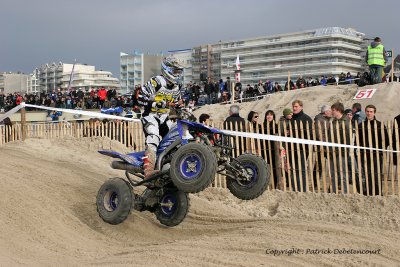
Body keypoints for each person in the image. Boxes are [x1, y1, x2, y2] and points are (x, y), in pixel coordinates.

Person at [137, 56, 183, 180]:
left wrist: (180, 107)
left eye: (179, 72)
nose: (177, 75)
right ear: (167, 69)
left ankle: (171, 168)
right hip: (150, 115)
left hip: (164, 117)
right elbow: (140, 98)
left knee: (175, 139)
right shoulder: (156, 82)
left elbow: (177, 104)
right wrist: (156, 103)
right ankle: (148, 170)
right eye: (175, 71)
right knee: (153, 137)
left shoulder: (176, 87)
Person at [357, 105, 389, 196]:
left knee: (376, 174)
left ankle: (378, 193)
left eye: (371, 111)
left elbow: (386, 140)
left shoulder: (380, 125)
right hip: (365, 154)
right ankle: (369, 192)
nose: (369, 113)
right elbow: (357, 141)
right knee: (367, 174)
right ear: (365, 112)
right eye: (367, 111)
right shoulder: (361, 125)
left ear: (374, 112)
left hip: (376, 155)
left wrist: (378, 149)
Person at [289, 100, 313, 192]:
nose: (294, 108)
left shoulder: (306, 119)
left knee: (301, 170)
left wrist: (298, 132)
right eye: (293, 106)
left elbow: (310, 134)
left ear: (301, 107)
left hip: (302, 149)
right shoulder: (291, 119)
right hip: (291, 149)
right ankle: (295, 190)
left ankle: (302, 190)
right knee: (293, 170)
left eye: (296, 106)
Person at [328, 102, 350, 194]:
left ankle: (344, 192)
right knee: (332, 174)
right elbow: (330, 136)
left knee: (343, 174)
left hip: (342, 152)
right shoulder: (333, 122)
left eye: (333, 110)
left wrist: (345, 150)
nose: (331, 112)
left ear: (338, 110)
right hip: (332, 151)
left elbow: (348, 137)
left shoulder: (345, 122)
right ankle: (333, 191)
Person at [313, 105, 332, 189]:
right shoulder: (319, 120)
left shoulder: (326, 120)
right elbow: (319, 134)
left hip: (325, 145)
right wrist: (326, 143)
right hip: (321, 146)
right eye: (329, 111)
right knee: (319, 165)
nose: (331, 112)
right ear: (325, 112)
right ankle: (315, 183)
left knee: (321, 164)